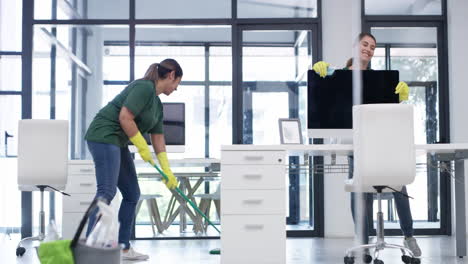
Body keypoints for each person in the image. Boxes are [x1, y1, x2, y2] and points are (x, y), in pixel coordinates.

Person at [311, 33, 421, 258]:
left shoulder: (379, 81)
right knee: (361, 187)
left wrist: (399, 98)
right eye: (365, 44)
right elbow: (322, 100)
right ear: (355, 46)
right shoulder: (335, 76)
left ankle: (408, 235)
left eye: (372, 47)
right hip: (354, 145)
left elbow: (387, 114)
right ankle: (363, 239)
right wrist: (318, 74)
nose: (368, 49)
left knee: (398, 181)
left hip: (379, 144)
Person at [84, 59, 183, 261]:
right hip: (103, 136)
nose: (177, 88)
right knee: (107, 191)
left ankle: (124, 248)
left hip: (117, 142)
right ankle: (88, 249)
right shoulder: (143, 87)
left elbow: (158, 137)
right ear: (171, 75)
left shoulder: (157, 104)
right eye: (177, 82)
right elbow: (124, 117)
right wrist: (140, 145)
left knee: (132, 193)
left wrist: (167, 170)